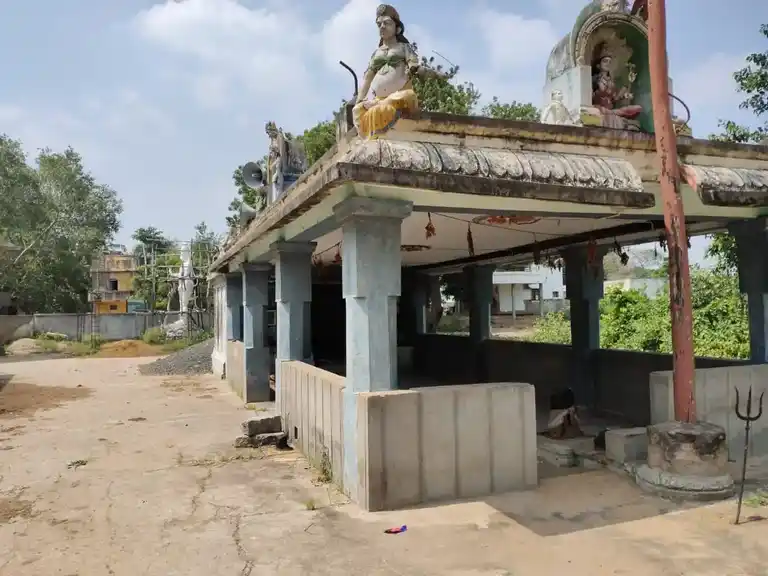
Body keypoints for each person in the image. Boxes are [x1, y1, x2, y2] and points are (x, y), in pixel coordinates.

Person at [353, 4, 444, 139]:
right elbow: (368, 78)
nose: (382, 27)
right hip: (379, 99)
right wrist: (359, 100)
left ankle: (382, 108)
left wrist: (428, 72)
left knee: (397, 100)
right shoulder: (376, 53)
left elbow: (414, 66)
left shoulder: (404, 48)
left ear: (397, 28)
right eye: (379, 24)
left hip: (400, 97)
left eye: (387, 23)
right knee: (358, 110)